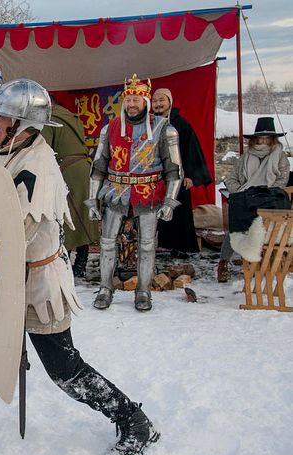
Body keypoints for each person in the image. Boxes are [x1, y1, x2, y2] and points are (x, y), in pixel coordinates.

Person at [0, 79, 159, 455]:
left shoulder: (38, 166)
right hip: (0, 274)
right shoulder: (0, 151)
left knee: (63, 367)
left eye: (3, 117)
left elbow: (13, 228)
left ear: (22, 123)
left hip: (37, 282)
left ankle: (134, 420)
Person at [85, 74, 183, 311]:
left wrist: (170, 201)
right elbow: (98, 166)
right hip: (115, 191)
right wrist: (92, 200)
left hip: (149, 192)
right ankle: (105, 288)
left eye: (136, 99)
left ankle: (143, 291)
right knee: (107, 243)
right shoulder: (110, 128)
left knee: (147, 245)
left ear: (145, 101)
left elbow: (174, 169)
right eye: (128, 99)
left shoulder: (164, 129)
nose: (131, 104)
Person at [217, 117, 289, 282]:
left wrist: (263, 194)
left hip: (270, 197)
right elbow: (232, 179)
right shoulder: (245, 157)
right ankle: (223, 262)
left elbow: (281, 181)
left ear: (273, 139)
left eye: (267, 137)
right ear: (255, 139)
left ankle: (271, 260)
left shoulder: (280, 157)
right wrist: (241, 193)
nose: (263, 140)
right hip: (247, 197)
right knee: (236, 223)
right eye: (260, 137)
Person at [41, 97, 99, 277]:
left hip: (68, 172)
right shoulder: (71, 117)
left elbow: (43, 149)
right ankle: (81, 260)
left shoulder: (49, 119)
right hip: (84, 168)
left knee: (66, 216)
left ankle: (68, 262)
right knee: (82, 214)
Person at [151, 88, 212, 258]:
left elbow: (192, 150)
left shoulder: (181, 124)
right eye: (155, 101)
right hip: (154, 177)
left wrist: (191, 176)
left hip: (177, 176)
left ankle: (181, 247)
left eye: (161, 100)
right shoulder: (147, 125)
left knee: (177, 211)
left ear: (170, 102)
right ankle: (157, 245)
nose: (158, 104)